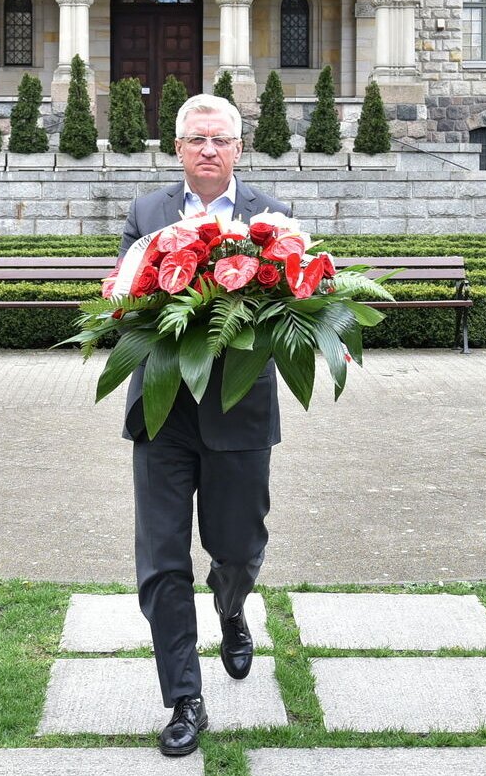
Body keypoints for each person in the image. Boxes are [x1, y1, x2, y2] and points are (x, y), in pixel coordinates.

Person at [116, 93, 292, 758]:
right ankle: (185, 698)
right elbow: (126, 297)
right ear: (179, 149)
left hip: (240, 414)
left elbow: (289, 307)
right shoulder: (147, 214)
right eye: (196, 140)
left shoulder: (272, 218)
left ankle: (230, 606)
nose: (209, 150)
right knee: (161, 562)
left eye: (220, 140)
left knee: (239, 549)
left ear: (238, 149)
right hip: (161, 412)